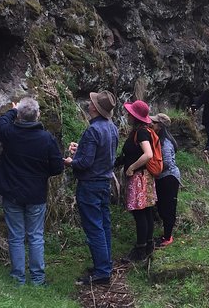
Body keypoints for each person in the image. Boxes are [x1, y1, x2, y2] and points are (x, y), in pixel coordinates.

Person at [0, 97, 64, 286]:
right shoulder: (47, 139)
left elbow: (1, 122)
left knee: (16, 236)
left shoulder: (10, 133)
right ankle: (38, 279)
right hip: (36, 193)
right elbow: (58, 168)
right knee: (36, 236)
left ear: (19, 116)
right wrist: (41, 174)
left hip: (12, 192)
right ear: (38, 115)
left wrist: (13, 110)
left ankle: (18, 278)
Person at [63, 91, 118, 286]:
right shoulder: (112, 128)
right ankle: (105, 265)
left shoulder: (93, 130)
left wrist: (70, 161)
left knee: (94, 227)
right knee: (104, 225)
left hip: (90, 185)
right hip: (104, 182)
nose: (89, 104)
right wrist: (81, 150)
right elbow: (102, 155)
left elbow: (85, 163)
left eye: (91, 102)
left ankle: (102, 272)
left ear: (95, 108)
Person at [118, 100, 157, 261]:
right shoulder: (141, 131)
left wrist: (132, 167)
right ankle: (148, 245)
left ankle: (140, 250)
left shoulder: (141, 133)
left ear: (135, 117)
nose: (127, 116)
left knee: (140, 213)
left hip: (139, 177)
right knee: (146, 212)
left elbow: (148, 154)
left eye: (130, 114)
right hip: (144, 176)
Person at [150, 113, 181, 248]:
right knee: (162, 207)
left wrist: (153, 167)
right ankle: (166, 235)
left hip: (169, 178)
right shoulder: (160, 139)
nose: (152, 124)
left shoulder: (165, 143)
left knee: (168, 208)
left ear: (160, 126)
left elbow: (167, 162)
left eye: (155, 123)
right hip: (163, 177)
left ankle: (168, 237)